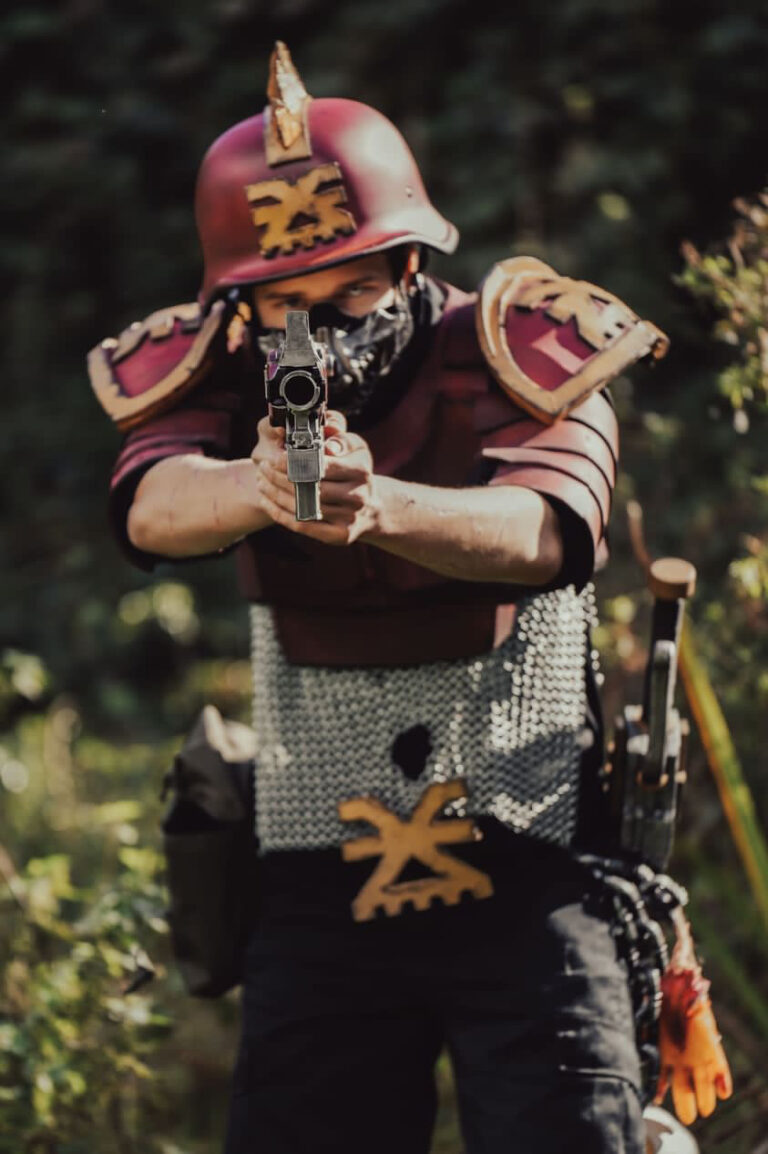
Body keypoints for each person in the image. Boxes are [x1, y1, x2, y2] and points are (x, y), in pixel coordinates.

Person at [89, 42, 720, 1154]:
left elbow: (548, 532)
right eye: (286, 304)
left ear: (411, 261)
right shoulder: (219, 363)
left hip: (531, 847)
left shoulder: (524, 344)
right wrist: (255, 487)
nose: (319, 329)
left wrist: (380, 506)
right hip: (318, 868)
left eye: (352, 290)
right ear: (240, 302)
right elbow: (150, 506)